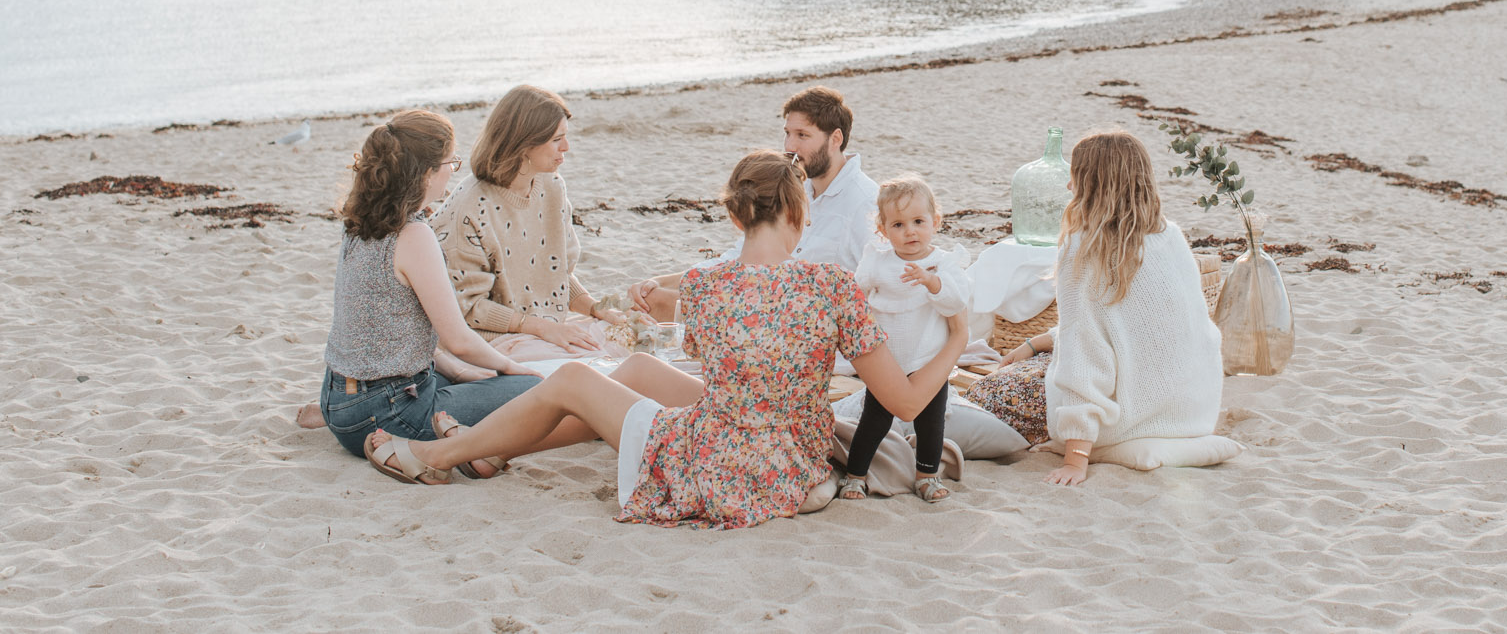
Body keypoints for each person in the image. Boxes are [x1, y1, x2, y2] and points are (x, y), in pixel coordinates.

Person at [385, 150, 967, 527]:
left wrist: (648, 300)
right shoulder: (834, 285)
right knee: (634, 374)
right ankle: (490, 449)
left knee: (571, 379)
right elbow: (909, 403)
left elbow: (682, 308)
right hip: (796, 459)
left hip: (731, 465)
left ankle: (435, 457)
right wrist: (953, 340)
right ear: (798, 212)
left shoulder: (708, 289)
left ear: (737, 219)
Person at [963, 129, 1223, 487]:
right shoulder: (1170, 237)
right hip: (1190, 408)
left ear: (1093, 184)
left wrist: (1076, 460)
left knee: (986, 392)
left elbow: (1085, 358)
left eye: (1076, 175)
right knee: (1034, 365)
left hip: (1127, 416)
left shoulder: (1085, 249)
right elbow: (1132, 327)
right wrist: (1037, 343)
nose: (1069, 186)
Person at [318, 110, 543, 481]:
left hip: (338, 401)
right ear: (424, 173)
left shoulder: (358, 223)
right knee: (534, 389)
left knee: (476, 377)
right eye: (450, 163)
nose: (452, 171)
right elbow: (458, 339)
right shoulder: (413, 236)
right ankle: (463, 448)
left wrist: (463, 372)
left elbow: (397, 336)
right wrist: (509, 369)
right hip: (388, 413)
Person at [629, 85, 877, 317]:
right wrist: (661, 280)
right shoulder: (794, 188)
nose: (790, 146)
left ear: (835, 139)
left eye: (803, 135)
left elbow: (883, 287)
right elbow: (738, 256)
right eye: (788, 133)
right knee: (652, 297)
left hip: (808, 328)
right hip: (759, 306)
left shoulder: (866, 203)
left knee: (658, 305)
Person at [431, 84, 623, 358]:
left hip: (545, 331)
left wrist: (595, 308)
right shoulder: (471, 206)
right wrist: (540, 328)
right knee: (595, 368)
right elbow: (469, 308)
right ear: (524, 144)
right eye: (557, 139)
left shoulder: (552, 186)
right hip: (492, 343)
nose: (566, 147)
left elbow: (555, 275)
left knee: (633, 344)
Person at [839, 175, 970, 502]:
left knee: (931, 423)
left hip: (928, 360)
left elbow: (957, 302)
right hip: (888, 362)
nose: (910, 231)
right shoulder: (878, 262)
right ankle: (856, 475)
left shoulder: (942, 263)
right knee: (873, 421)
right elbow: (857, 294)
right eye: (898, 224)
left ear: (935, 222)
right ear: (882, 230)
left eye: (918, 221)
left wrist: (931, 282)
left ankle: (926, 475)